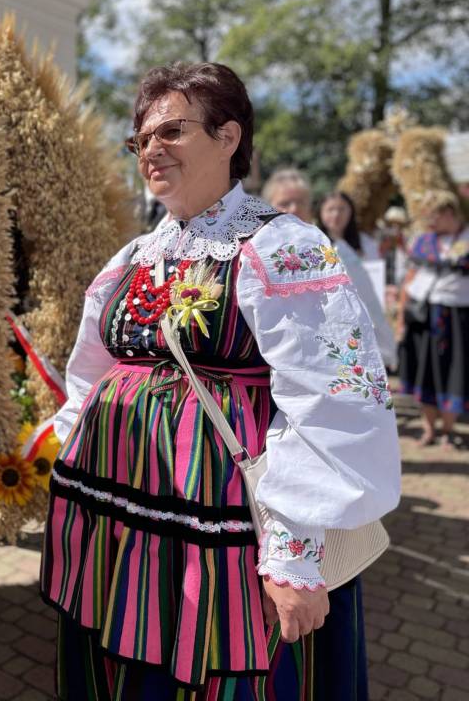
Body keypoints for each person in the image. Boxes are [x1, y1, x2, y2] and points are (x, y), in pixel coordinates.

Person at [40, 63, 400, 699]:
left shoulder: (282, 246)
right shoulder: (136, 255)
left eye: (171, 131)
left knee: (221, 665)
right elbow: (91, 371)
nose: (151, 149)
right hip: (120, 520)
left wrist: (293, 554)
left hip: (225, 531)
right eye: (140, 138)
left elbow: (330, 403)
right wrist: (59, 443)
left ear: (228, 136)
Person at [398, 192, 469, 449]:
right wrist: (401, 319)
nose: (429, 221)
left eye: (433, 215)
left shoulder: (467, 239)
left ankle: (447, 431)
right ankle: (428, 429)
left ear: (449, 212)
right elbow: (410, 278)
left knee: (454, 372)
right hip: (424, 316)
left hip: (458, 317)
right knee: (424, 371)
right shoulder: (424, 241)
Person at [316, 190, 397, 369]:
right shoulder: (315, 242)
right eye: (330, 209)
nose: (336, 214)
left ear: (350, 211)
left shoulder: (365, 243)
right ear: (321, 212)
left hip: (366, 310)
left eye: (341, 209)